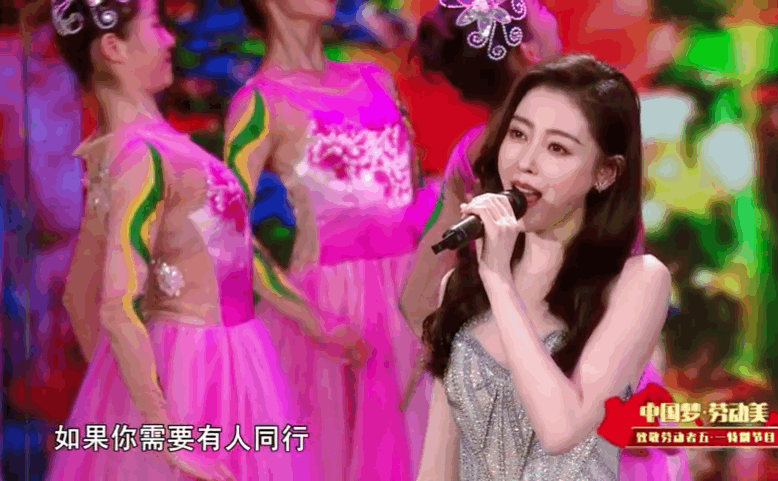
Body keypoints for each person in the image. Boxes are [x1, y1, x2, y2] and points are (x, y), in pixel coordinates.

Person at [45, 0, 332, 478]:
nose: (170, 40)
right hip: (201, 366)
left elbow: (79, 294)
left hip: (222, 358)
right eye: (156, 26)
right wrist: (157, 425)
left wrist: (122, 397)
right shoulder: (141, 155)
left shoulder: (128, 149)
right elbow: (113, 303)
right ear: (114, 47)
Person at [415, 53, 688, 480]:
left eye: (557, 148)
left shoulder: (638, 282)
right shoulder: (460, 287)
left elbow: (563, 430)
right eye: (518, 134)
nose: (526, 162)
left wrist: (499, 281)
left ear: (605, 173)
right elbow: (436, 467)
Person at [223, 1, 436, 479]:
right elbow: (224, 232)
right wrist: (311, 319)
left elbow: (414, 193)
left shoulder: (375, 78)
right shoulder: (259, 103)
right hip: (333, 312)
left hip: (410, 297)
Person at [398, 0, 563, 331]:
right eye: (541, 9)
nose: (551, 16)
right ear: (528, 51)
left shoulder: (471, 150)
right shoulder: (564, 142)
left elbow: (415, 298)